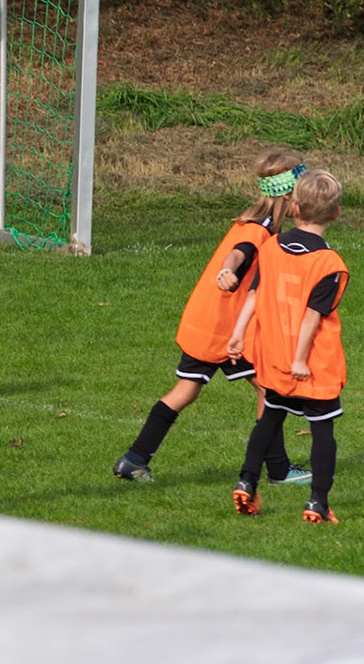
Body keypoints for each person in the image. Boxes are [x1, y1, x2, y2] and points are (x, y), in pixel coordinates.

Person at [113, 150, 311, 486]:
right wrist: (226, 271)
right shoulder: (259, 230)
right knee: (269, 390)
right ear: (289, 194)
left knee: (185, 390)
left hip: (206, 321)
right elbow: (238, 254)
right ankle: (278, 470)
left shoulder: (250, 221)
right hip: (228, 329)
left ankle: (133, 460)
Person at [229, 170, 347, 522]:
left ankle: (247, 481)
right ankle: (317, 502)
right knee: (322, 429)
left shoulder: (271, 247)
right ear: (336, 213)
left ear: (294, 208)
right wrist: (300, 359)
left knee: (270, 418)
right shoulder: (330, 264)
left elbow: (254, 294)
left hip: (273, 355)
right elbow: (312, 316)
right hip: (311, 363)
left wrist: (238, 333)